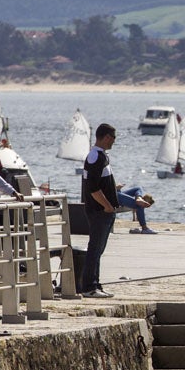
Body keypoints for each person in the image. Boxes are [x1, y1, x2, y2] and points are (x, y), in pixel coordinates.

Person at [80, 124, 121, 298]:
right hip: (99, 211)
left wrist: (113, 189)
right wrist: (107, 206)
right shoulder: (95, 157)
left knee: (99, 249)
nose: (114, 141)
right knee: (95, 248)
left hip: (104, 211)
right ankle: (89, 286)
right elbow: (92, 188)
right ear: (105, 137)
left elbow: (101, 184)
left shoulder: (102, 157)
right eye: (113, 138)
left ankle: (95, 284)